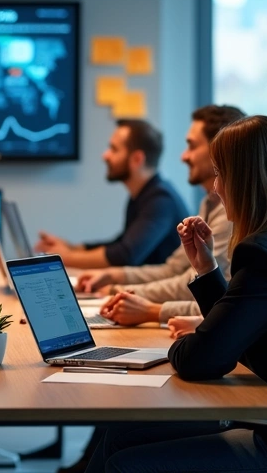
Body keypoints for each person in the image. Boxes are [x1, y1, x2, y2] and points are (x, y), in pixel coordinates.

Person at [90, 115, 267, 473]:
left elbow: (202, 360)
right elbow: (235, 328)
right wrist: (206, 268)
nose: (215, 188)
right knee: (120, 435)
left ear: (242, 181)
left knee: (124, 463)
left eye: (219, 174)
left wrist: (182, 344)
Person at [79, 105, 245, 328]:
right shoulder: (209, 202)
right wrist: (113, 278)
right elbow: (174, 269)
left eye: (191, 146)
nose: (183, 156)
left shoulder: (224, 213)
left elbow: (126, 254)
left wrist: (121, 292)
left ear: (219, 151)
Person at [36, 119, 188, 269]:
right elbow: (120, 244)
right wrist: (70, 247)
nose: (105, 155)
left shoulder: (161, 200)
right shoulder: (144, 194)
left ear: (137, 159)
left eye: (114, 149)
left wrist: (64, 257)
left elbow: (125, 255)